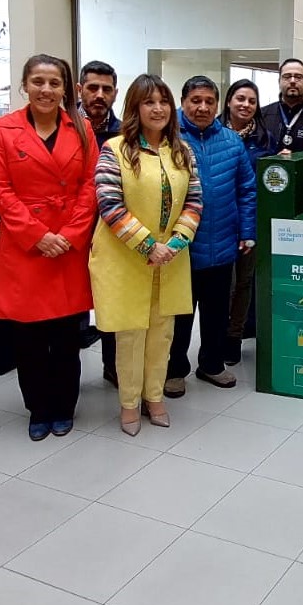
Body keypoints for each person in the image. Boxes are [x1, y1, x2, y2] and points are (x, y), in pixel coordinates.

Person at [0, 54, 98, 441]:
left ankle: (64, 406)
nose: (46, 90)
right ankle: (38, 409)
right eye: (38, 81)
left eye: (54, 82)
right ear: (24, 85)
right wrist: (37, 235)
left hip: (68, 246)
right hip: (25, 248)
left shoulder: (81, 128)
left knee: (67, 337)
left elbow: (90, 186)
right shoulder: (2, 129)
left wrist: (69, 234)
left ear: (67, 89)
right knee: (29, 341)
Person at [91, 75, 202, 436]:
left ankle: (155, 398)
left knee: (162, 334)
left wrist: (175, 243)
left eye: (164, 102)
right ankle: (128, 404)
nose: (158, 109)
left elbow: (195, 201)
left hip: (170, 259)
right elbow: (109, 203)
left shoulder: (182, 151)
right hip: (127, 259)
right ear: (135, 108)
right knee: (130, 336)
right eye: (149, 102)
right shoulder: (116, 149)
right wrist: (146, 245)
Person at [165, 76, 256, 395]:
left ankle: (212, 365)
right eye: (195, 100)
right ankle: (174, 369)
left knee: (217, 312)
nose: (202, 107)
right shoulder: (167, 136)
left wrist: (247, 231)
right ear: (183, 101)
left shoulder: (232, 141)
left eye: (209, 101)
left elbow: (246, 189)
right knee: (179, 314)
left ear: (218, 105)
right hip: (179, 248)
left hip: (223, 244)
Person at [221, 78, 279, 365]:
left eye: (251, 101)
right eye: (240, 98)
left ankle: (233, 338)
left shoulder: (266, 140)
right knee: (221, 285)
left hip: (251, 221)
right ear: (229, 100)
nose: (245, 105)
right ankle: (215, 338)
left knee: (244, 282)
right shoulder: (213, 133)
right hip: (217, 220)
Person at [76, 60, 121, 383]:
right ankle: (66, 377)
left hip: (111, 231)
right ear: (80, 90)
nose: (99, 95)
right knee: (72, 305)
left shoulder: (123, 133)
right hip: (70, 231)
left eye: (106, 89)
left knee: (112, 301)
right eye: (93, 88)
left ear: (115, 93)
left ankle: (113, 367)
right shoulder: (64, 128)